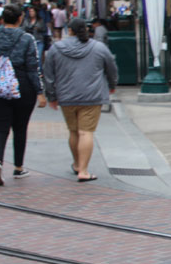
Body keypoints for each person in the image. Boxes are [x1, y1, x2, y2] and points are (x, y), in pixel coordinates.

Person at [43, 18, 118, 182]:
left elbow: (48, 74)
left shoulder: (56, 48)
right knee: (86, 132)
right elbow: (111, 67)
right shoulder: (98, 47)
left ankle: (77, 164)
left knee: (73, 131)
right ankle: (83, 170)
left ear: (69, 30)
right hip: (91, 96)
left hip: (66, 96)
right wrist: (112, 84)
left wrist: (51, 96)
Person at [0, 4, 47, 185]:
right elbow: (33, 68)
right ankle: (18, 167)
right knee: (20, 128)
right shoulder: (27, 39)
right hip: (22, 86)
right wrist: (40, 92)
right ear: (20, 18)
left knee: (0, 128)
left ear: (2, 18)